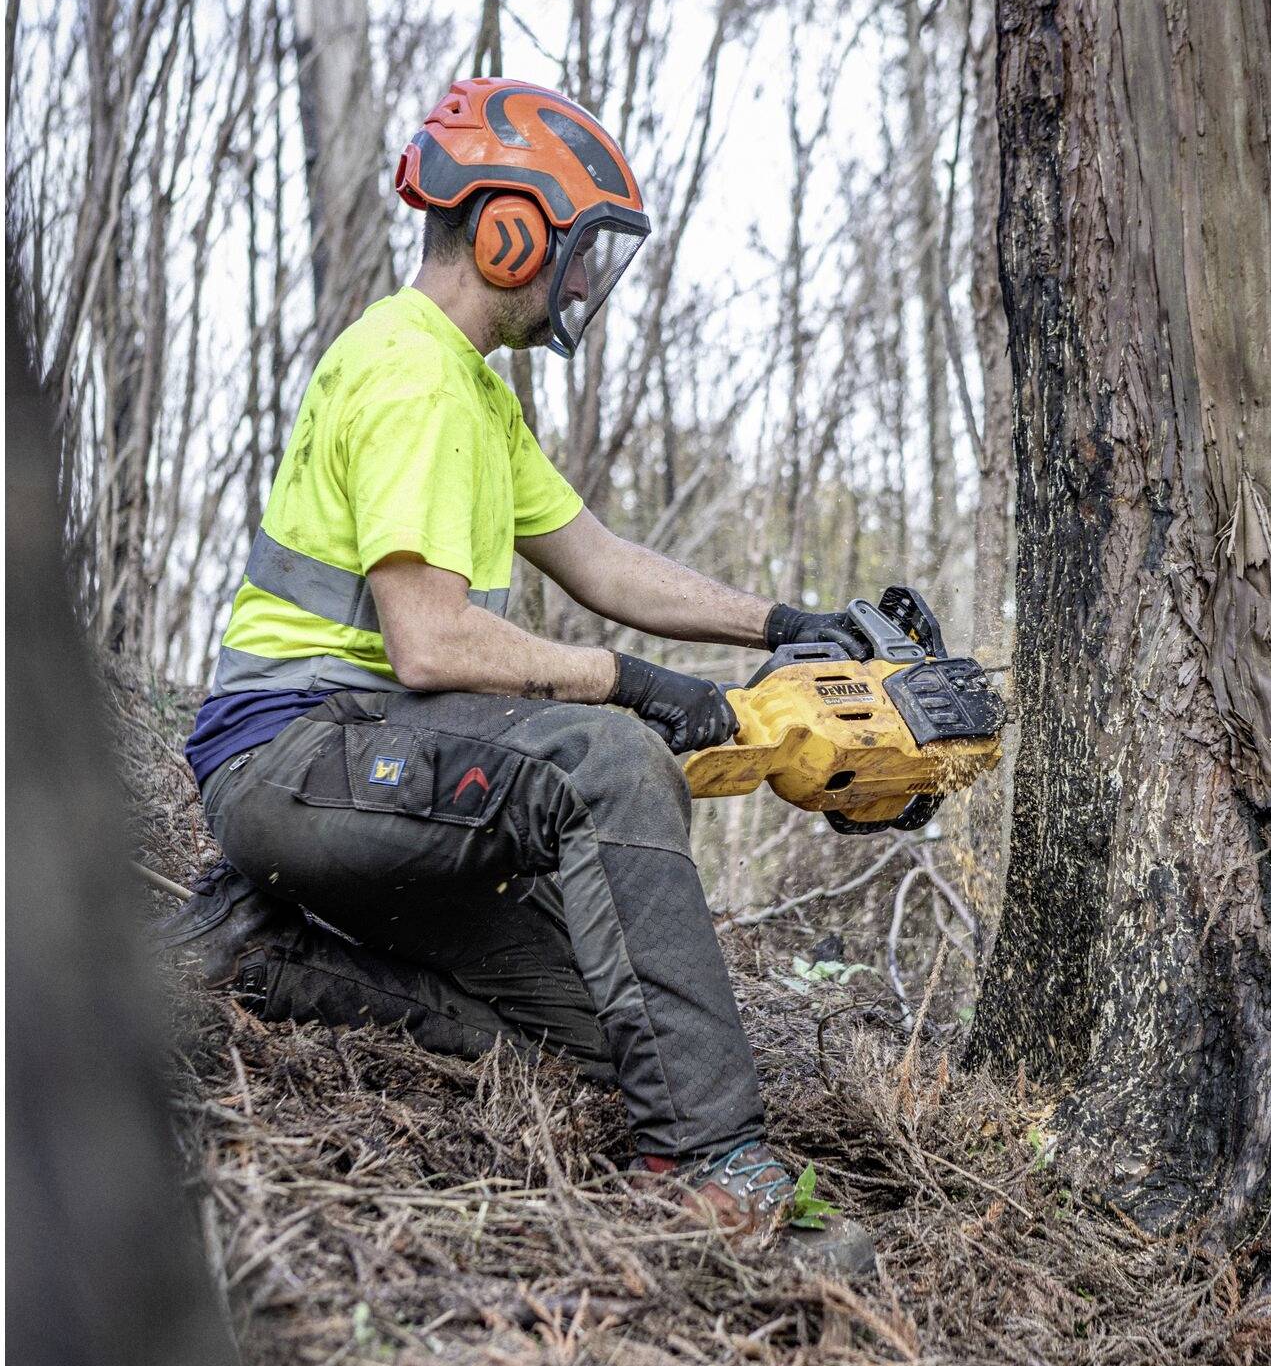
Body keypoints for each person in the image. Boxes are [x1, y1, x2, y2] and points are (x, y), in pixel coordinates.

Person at [168, 78, 877, 1278]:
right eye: (577, 251)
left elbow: (599, 558)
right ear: (508, 228)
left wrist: (784, 624)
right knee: (605, 756)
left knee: (615, 1029)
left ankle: (265, 951)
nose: (582, 283)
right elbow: (431, 646)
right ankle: (711, 1169)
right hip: (295, 756)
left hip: (370, 776)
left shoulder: (475, 392)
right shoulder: (414, 375)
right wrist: (630, 687)